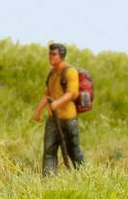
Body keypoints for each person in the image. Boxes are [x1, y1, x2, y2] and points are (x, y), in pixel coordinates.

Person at [30, 41, 86, 174]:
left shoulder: (70, 71)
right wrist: (38, 111)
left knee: (74, 150)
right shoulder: (52, 73)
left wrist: (57, 103)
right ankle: (48, 180)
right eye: (49, 54)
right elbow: (47, 95)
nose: (50, 56)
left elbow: (73, 93)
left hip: (68, 119)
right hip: (52, 119)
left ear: (61, 56)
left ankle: (85, 175)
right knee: (49, 150)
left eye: (53, 54)